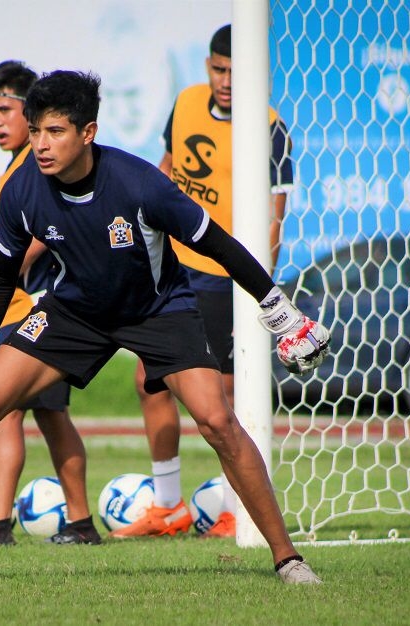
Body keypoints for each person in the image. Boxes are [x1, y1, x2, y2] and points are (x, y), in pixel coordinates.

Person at [0, 70, 328, 589]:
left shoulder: (139, 183)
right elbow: (0, 278)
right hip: (75, 310)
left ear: (88, 133)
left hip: (158, 310)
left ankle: (288, 560)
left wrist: (278, 310)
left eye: (55, 132)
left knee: (218, 422)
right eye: (36, 130)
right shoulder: (22, 190)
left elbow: (217, 244)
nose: (41, 144)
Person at [112, 24, 293, 540]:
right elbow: (165, 173)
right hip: (172, 265)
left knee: (224, 396)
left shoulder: (270, 126)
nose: (227, 80)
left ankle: (236, 507)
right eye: (219, 69)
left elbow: (275, 216)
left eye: (237, 71)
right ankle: (168, 505)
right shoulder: (187, 102)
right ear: (207, 67)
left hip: (221, 276)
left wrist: (257, 286)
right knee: (149, 378)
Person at [0, 60, 98, 548]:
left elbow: (40, 235)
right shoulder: (20, 166)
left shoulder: (37, 165)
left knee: (2, 412)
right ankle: (80, 523)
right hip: (37, 305)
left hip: (32, 306)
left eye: (5, 109)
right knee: (52, 416)